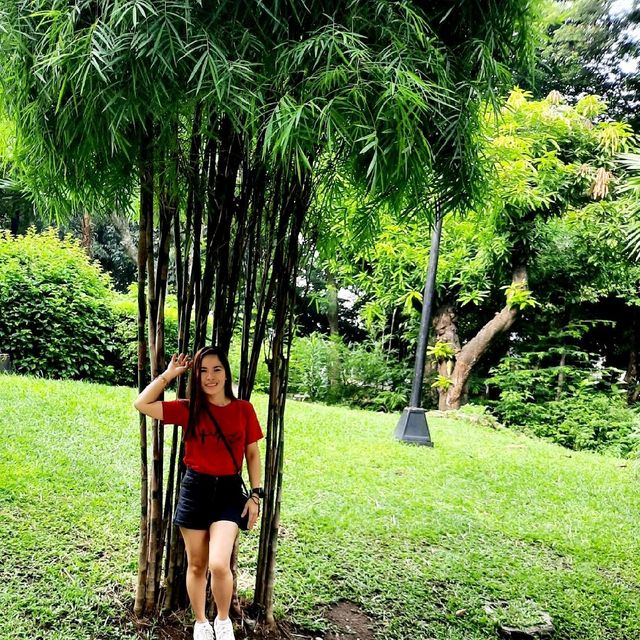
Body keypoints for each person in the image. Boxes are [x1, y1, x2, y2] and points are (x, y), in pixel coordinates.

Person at [134, 346, 264, 640]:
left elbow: (253, 454)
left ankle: (222, 620)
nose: (210, 377)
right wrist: (169, 374)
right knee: (196, 564)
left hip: (230, 491)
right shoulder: (189, 408)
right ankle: (201, 622)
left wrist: (256, 496)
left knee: (219, 564)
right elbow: (142, 403)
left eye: (216, 369)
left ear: (226, 372)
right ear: (196, 375)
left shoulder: (244, 409)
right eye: (203, 370)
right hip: (195, 489)